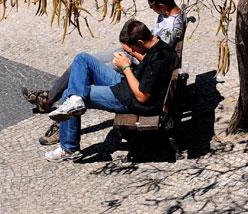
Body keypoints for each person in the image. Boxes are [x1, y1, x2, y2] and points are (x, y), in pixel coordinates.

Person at [22, 0, 183, 145]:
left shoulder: (171, 30)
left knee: (82, 78)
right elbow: (153, 53)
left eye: (152, 5)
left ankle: (60, 122)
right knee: (81, 61)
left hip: (134, 63)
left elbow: (154, 62)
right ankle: (50, 101)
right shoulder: (166, 15)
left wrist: (128, 59)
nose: (151, 8)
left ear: (162, 4)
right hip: (135, 53)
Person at [44, 19, 177, 162]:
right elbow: (147, 64)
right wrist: (131, 59)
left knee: (66, 94)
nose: (132, 52)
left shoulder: (158, 61)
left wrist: (125, 67)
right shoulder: (160, 46)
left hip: (129, 98)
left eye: (132, 49)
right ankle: (76, 99)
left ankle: (69, 148)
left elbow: (142, 96)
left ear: (139, 42)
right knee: (82, 59)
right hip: (128, 84)